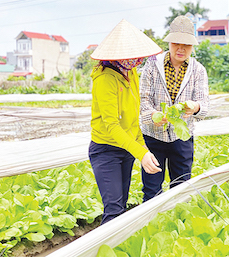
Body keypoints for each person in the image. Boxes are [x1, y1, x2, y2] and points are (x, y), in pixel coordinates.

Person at [89, 19, 162, 224]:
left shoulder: (131, 73)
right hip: (105, 150)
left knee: (121, 207)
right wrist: (141, 153)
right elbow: (112, 125)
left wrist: (142, 148)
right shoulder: (105, 79)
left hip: (126, 148)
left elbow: (132, 120)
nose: (136, 61)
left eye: (138, 57)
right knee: (113, 210)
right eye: (132, 57)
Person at [140, 15, 209, 202]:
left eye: (186, 44)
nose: (181, 48)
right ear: (169, 42)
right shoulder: (152, 66)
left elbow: (204, 104)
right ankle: (151, 226)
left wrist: (195, 107)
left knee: (182, 187)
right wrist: (153, 115)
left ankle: (177, 226)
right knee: (151, 189)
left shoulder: (198, 70)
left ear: (192, 46)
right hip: (153, 137)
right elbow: (143, 101)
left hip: (182, 137)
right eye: (176, 43)